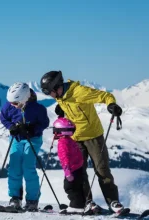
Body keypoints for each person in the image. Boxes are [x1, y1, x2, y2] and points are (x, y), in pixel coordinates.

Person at [40, 70, 124, 214]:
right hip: (75, 138)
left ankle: (113, 202)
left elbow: (106, 96)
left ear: (57, 87)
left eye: (50, 93)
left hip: (93, 136)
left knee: (102, 170)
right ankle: (87, 201)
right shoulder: (60, 96)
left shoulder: (80, 92)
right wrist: (61, 108)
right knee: (79, 172)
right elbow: (68, 106)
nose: (50, 96)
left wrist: (111, 105)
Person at [0, 82, 50, 212]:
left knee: (28, 166)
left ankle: (32, 200)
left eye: (15, 103)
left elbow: (44, 122)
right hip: (17, 139)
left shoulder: (38, 109)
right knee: (14, 168)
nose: (12, 106)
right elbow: (3, 117)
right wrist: (11, 127)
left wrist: (32, 129)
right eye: (11, 103)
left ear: (24, 98)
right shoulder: (9, 106)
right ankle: (15, 198)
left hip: (32, 139)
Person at [53, 117, 86, 214]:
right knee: (78, 186)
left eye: (55, 130)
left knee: (69, 187)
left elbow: (64, 158)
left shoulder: (62, 142)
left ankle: (76, 206)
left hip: (71, 169)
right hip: (78, 167)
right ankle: (81, 204)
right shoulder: (70, 140)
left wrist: (67, 172)